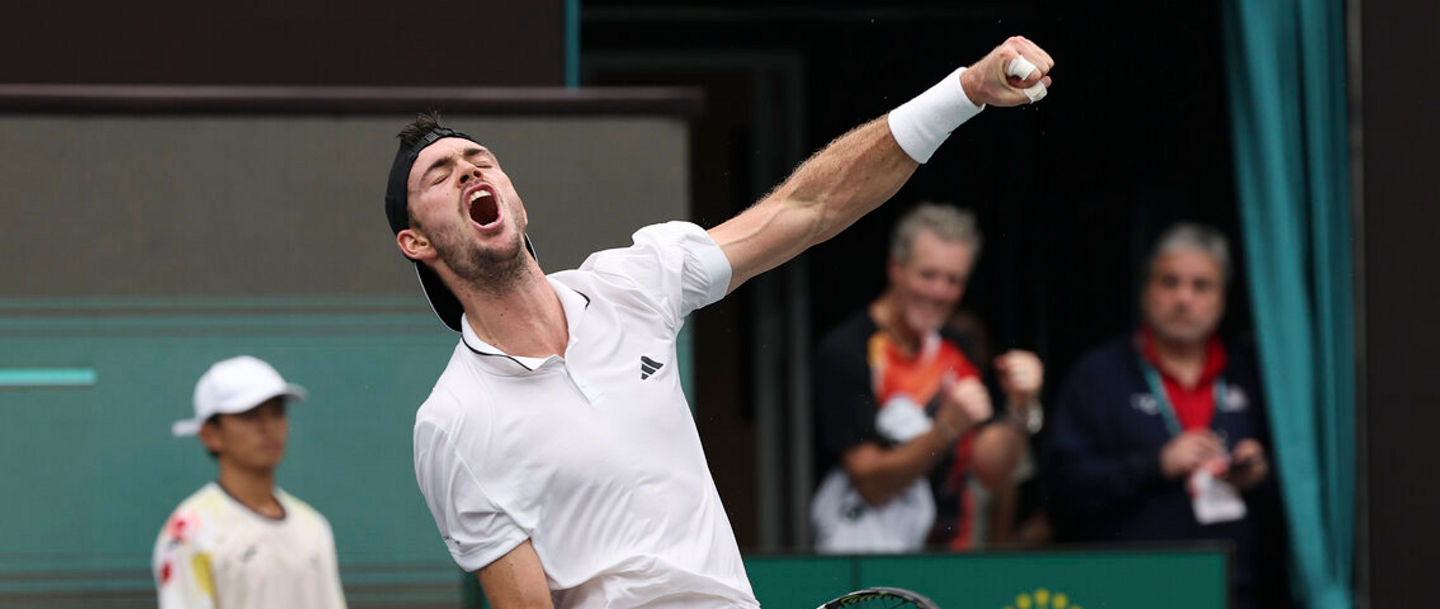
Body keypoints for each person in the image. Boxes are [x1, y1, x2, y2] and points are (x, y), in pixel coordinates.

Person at [387, 37, 1054, 609]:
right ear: (417, 242)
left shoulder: (631, 285)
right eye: (439, 175)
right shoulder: (453, 420)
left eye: (480, 160)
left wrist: (964, 91)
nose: (469, 170)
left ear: (515, 199)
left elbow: (809, 206)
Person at [1043, 224, 1287, 609]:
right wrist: (1154, 464)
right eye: (1170, 282)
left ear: (1223, 296)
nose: (1183, 298)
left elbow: (1303, 491)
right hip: (1124, 591)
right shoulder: (1099, 374)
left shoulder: (1256, 374)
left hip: (1234, 591)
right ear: (1145, 290)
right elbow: (1061, 490)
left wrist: (1257, 473)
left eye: (1201, 285)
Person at [811, 203, 1045, 553]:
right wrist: (944, 431)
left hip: (951, 555)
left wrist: (1020, 406)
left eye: (954, 280)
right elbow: (871, 483)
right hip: (870, 562)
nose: (940, 292)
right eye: (928, 275)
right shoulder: (848, 350)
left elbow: (992, 472)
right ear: (896, 269)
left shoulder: (957, 346)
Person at [152, 356, 347, 609]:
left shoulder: (313, 527)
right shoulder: (186, 533)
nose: (269, 427)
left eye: (277, 412)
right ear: (210, 434)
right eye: (250, 415)